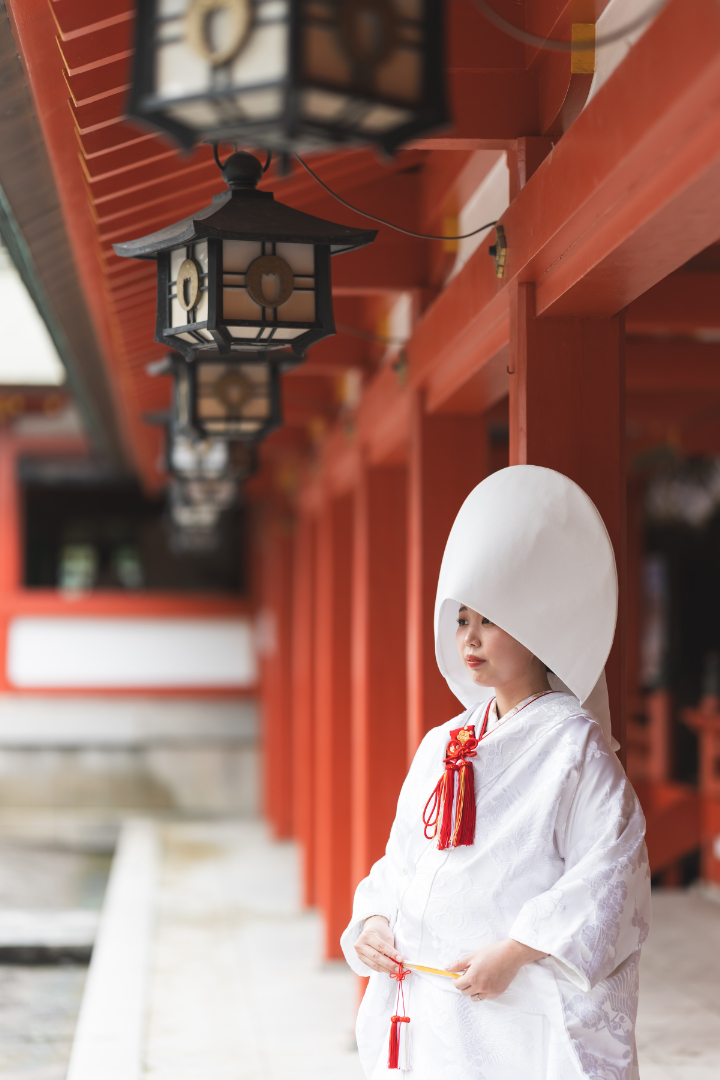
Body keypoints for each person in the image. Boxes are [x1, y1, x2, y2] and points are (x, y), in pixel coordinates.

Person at [341, 465, 651, 1080]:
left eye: (491, 621)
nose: (471, 639)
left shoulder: (575, 746)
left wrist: (515, 952)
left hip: (515, 994)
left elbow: (610, 872)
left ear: (536, 630)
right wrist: (373, 919)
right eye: (463, 620)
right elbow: (401, 861)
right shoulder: (442, 743)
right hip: (432, 998)